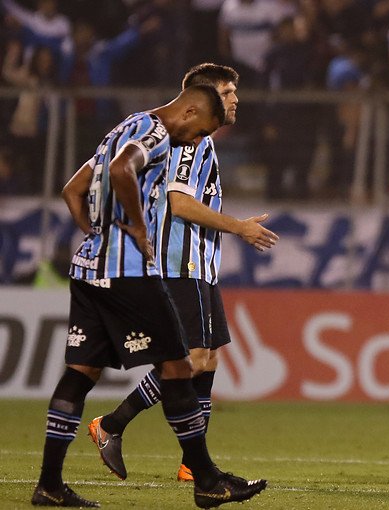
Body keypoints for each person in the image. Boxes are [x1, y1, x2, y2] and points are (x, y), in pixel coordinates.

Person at [33, 85, 266, 508]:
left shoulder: (120, 128)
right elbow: (124, 170)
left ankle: (49, 484)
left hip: (89, 269)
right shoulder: (156, 132)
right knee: (179, 367)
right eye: (200, 131)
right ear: (191, 109)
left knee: (80, 373)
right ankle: (207, 480)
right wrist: (137, 229)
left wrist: (96, 235)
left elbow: (73, 188)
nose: (196, 141)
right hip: (129, 271)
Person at [86, 63, 279, 484]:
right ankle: (112, 425)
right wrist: (240, 226)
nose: (235, 100)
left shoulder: (199, 140)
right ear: (205, 97)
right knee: (190, 360)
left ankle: (193, 463)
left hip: (199, 265)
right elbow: (179, 203)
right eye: (227, 93)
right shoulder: (191, 144)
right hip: (179, 264)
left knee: (207, 359)